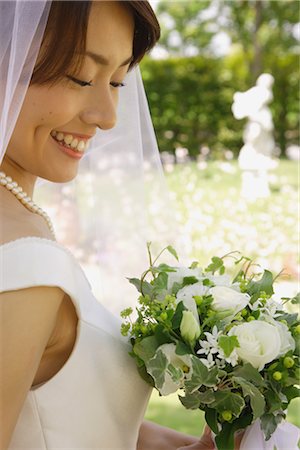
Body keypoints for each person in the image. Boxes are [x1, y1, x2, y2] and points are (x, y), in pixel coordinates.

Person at [0, 1, 221, 449]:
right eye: (82, 76)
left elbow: (54, 420)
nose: (108, 115)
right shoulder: (24, 264)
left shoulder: (23, 223)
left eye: (118, 81)